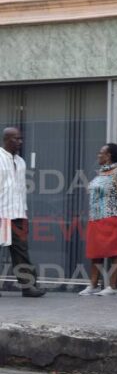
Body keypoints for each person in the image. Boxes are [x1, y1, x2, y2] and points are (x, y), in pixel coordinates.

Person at [80, 143, 117, 296]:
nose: (98, 155)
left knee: (115, 252)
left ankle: (113, 286)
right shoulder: (101, 173)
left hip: (112, 216)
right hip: (96, 217)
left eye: (100, 153)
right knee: (95, 252)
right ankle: (93, 285)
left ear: (108, 156)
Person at [0, 127, 45, 297]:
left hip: (17, 214)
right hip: (1, 213)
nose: (20, 142)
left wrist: (24, 212)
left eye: (21, 138)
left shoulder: (20, 161)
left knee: (21, 251)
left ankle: (28, 286)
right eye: (16, 139)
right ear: (6, 139)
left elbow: (20, 190)